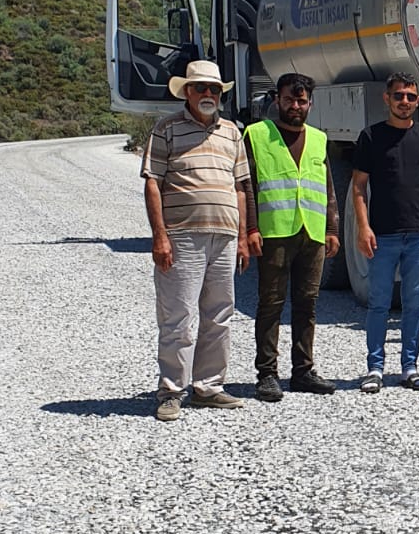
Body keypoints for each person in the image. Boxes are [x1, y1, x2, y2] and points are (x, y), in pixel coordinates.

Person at [141, 59, 252, 421]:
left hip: (224, 236)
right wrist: (160, 236)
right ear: (187, 92)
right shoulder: (166, 129)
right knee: (179, 316)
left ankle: (208, 387)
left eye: (214, 89)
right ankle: (171, 391)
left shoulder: (232, 132)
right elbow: (152, 183)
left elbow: (239, 188)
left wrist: (242, 238)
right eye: (201, 87)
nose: (208, 94)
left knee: (220, 315)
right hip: (182, 236)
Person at [352, 71, 419, 393]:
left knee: (414, 304)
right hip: (383, 234)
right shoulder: (370, 137)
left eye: (410, 96)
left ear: (417, 100)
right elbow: (358, 188)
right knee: (379, 303)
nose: (405, 102)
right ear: (387, 98)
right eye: (399, 96)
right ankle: (375, 368)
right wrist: (363, 227)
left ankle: (410, 367)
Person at [244, 73, 341, 402]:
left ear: (310, 104)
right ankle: (267, 374)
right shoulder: (257, 135)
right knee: (271, 304)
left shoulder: (318, 138)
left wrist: (332, 229)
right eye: (289, 99)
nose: (295, 106)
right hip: (274, 232)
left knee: (307, 304)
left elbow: (327, 189)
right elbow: (247, 187)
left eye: (302, 101)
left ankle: (303, 370)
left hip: (311, 232)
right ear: (277, 100)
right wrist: (250, 229)